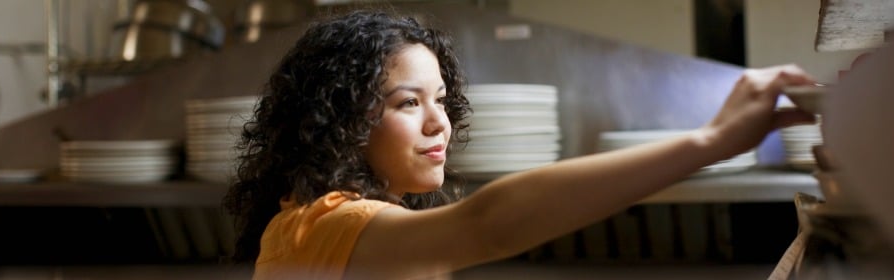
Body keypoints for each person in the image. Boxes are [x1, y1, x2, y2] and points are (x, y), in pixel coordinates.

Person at [222, 9, 817, 280]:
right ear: (338, 119)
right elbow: (490, 224)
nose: (441, 124)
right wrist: (710, 141)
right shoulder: (318, 227)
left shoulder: (359, 228)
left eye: (441, 100)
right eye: (408, 103)